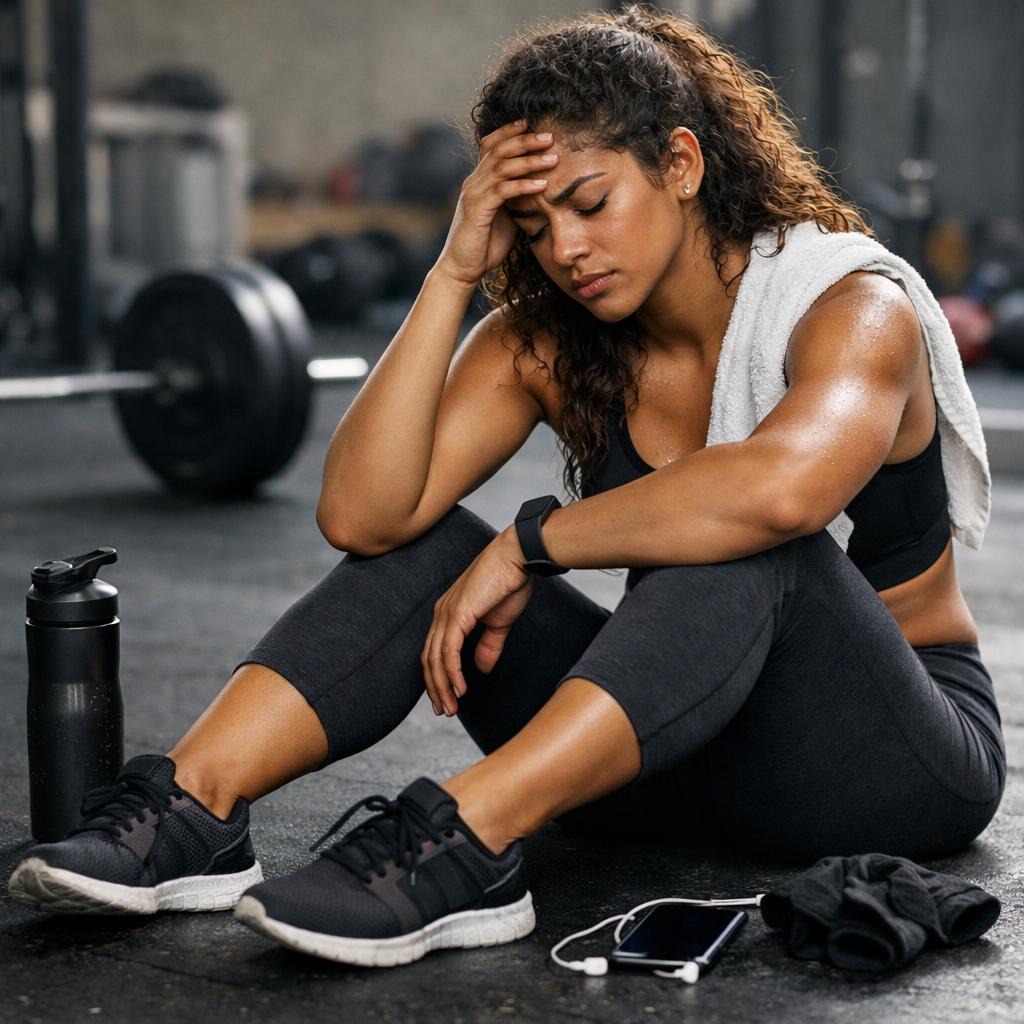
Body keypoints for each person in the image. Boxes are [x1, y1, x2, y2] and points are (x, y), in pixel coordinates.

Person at [9, 6, 1005, 969]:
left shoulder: (849, 305)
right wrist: (451, 273)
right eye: (530, 223)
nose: (563, 248)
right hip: (662, 751)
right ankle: (195, 810)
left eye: (588, 202)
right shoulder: (549, 340)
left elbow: (780, 490)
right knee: (425, 546)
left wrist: (532, 541)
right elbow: (364, 514)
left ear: (683, 164)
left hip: (877, 761)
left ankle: (463, 842)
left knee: (748, 536)